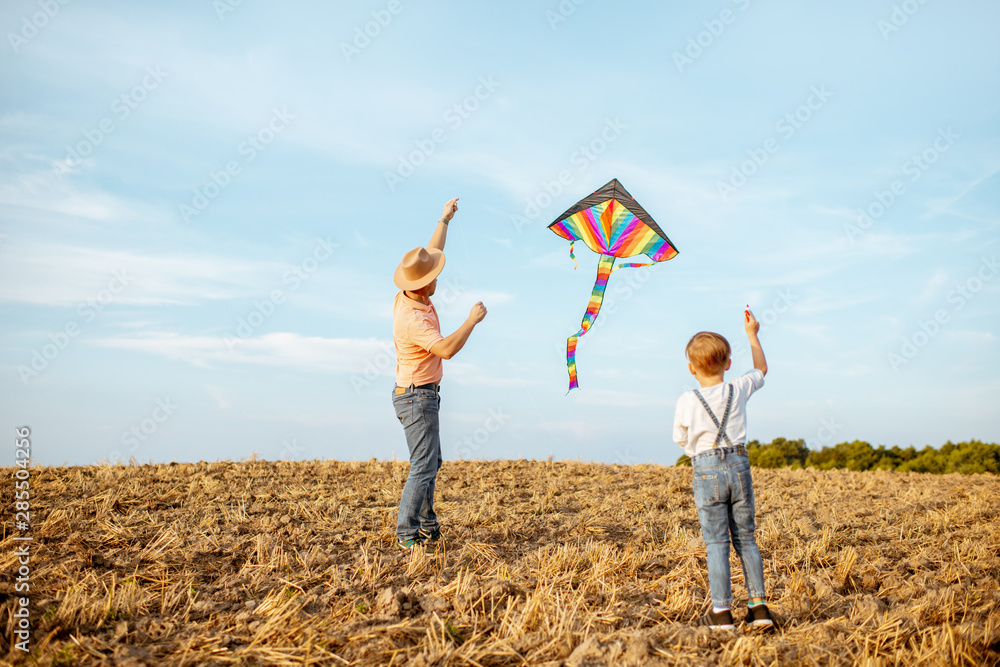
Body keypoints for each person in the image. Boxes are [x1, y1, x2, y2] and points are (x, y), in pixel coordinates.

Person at [391, 197, 487, 552]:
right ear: (422, 285)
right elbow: (445, 349)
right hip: (416, 397)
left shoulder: (410, 293)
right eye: (433, 277)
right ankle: (407, 533)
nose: (437, 279)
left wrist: (444, 219)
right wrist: (471, 321)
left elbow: (431, 251)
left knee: (432, 462)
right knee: (423, 466)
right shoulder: (412, 318)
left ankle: (428, 525)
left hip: (420, 394)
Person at [672, 308, 775, 631]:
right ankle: (758, 609)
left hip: (706, 470)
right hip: (740, 465)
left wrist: (695, 450)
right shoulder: (738, 387)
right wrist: (752, 333)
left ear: (691, 368)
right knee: (746, 538)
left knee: (716, 543)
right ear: (728, 364)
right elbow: (761, 368)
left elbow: (679, 437)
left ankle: (721, 612)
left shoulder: (687, 399)